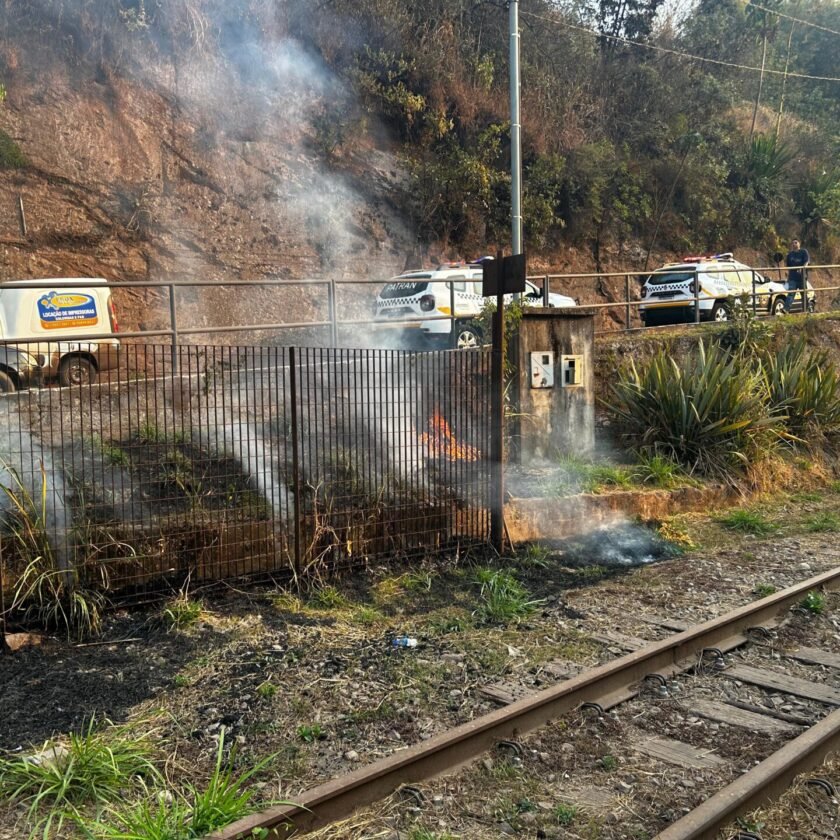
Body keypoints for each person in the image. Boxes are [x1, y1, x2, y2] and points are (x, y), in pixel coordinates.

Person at [784, 238, 810, 313]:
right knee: (791, 294)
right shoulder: (790, 254)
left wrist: (803, 268)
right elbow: (787, 266)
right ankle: (786, 309)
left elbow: (806, 261)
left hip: (802, 277)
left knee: (804, 294)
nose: (794, 244)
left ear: (799, 243)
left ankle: (806, 310)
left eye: (796, 242)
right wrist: (787, 273)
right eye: (793, 243)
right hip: (792, 278)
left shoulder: (803, 252)